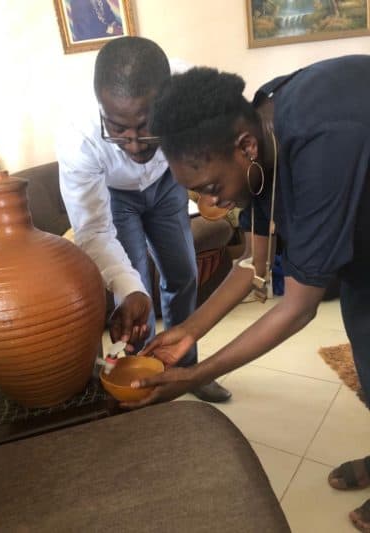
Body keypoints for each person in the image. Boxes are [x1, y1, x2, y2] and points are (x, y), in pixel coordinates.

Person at [121, 56, 370, 530]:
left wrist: (197, 376)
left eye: (211, 188)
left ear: (245, 147)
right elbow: (252, 266)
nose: (211, 204)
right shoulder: (257, 131)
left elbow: (297, 309)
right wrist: (187, 331)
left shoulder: (320, 143)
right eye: (196, 195)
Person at [57, 36, 230, 403]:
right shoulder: (78, 134)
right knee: (134, 291)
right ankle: (140, 379)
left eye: (147, 125)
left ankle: (185, 372)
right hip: (116, 195)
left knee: (183, 274)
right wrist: (129, 288)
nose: (134, 145)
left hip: (168, 182)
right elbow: (92, 228)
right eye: (118, 129)